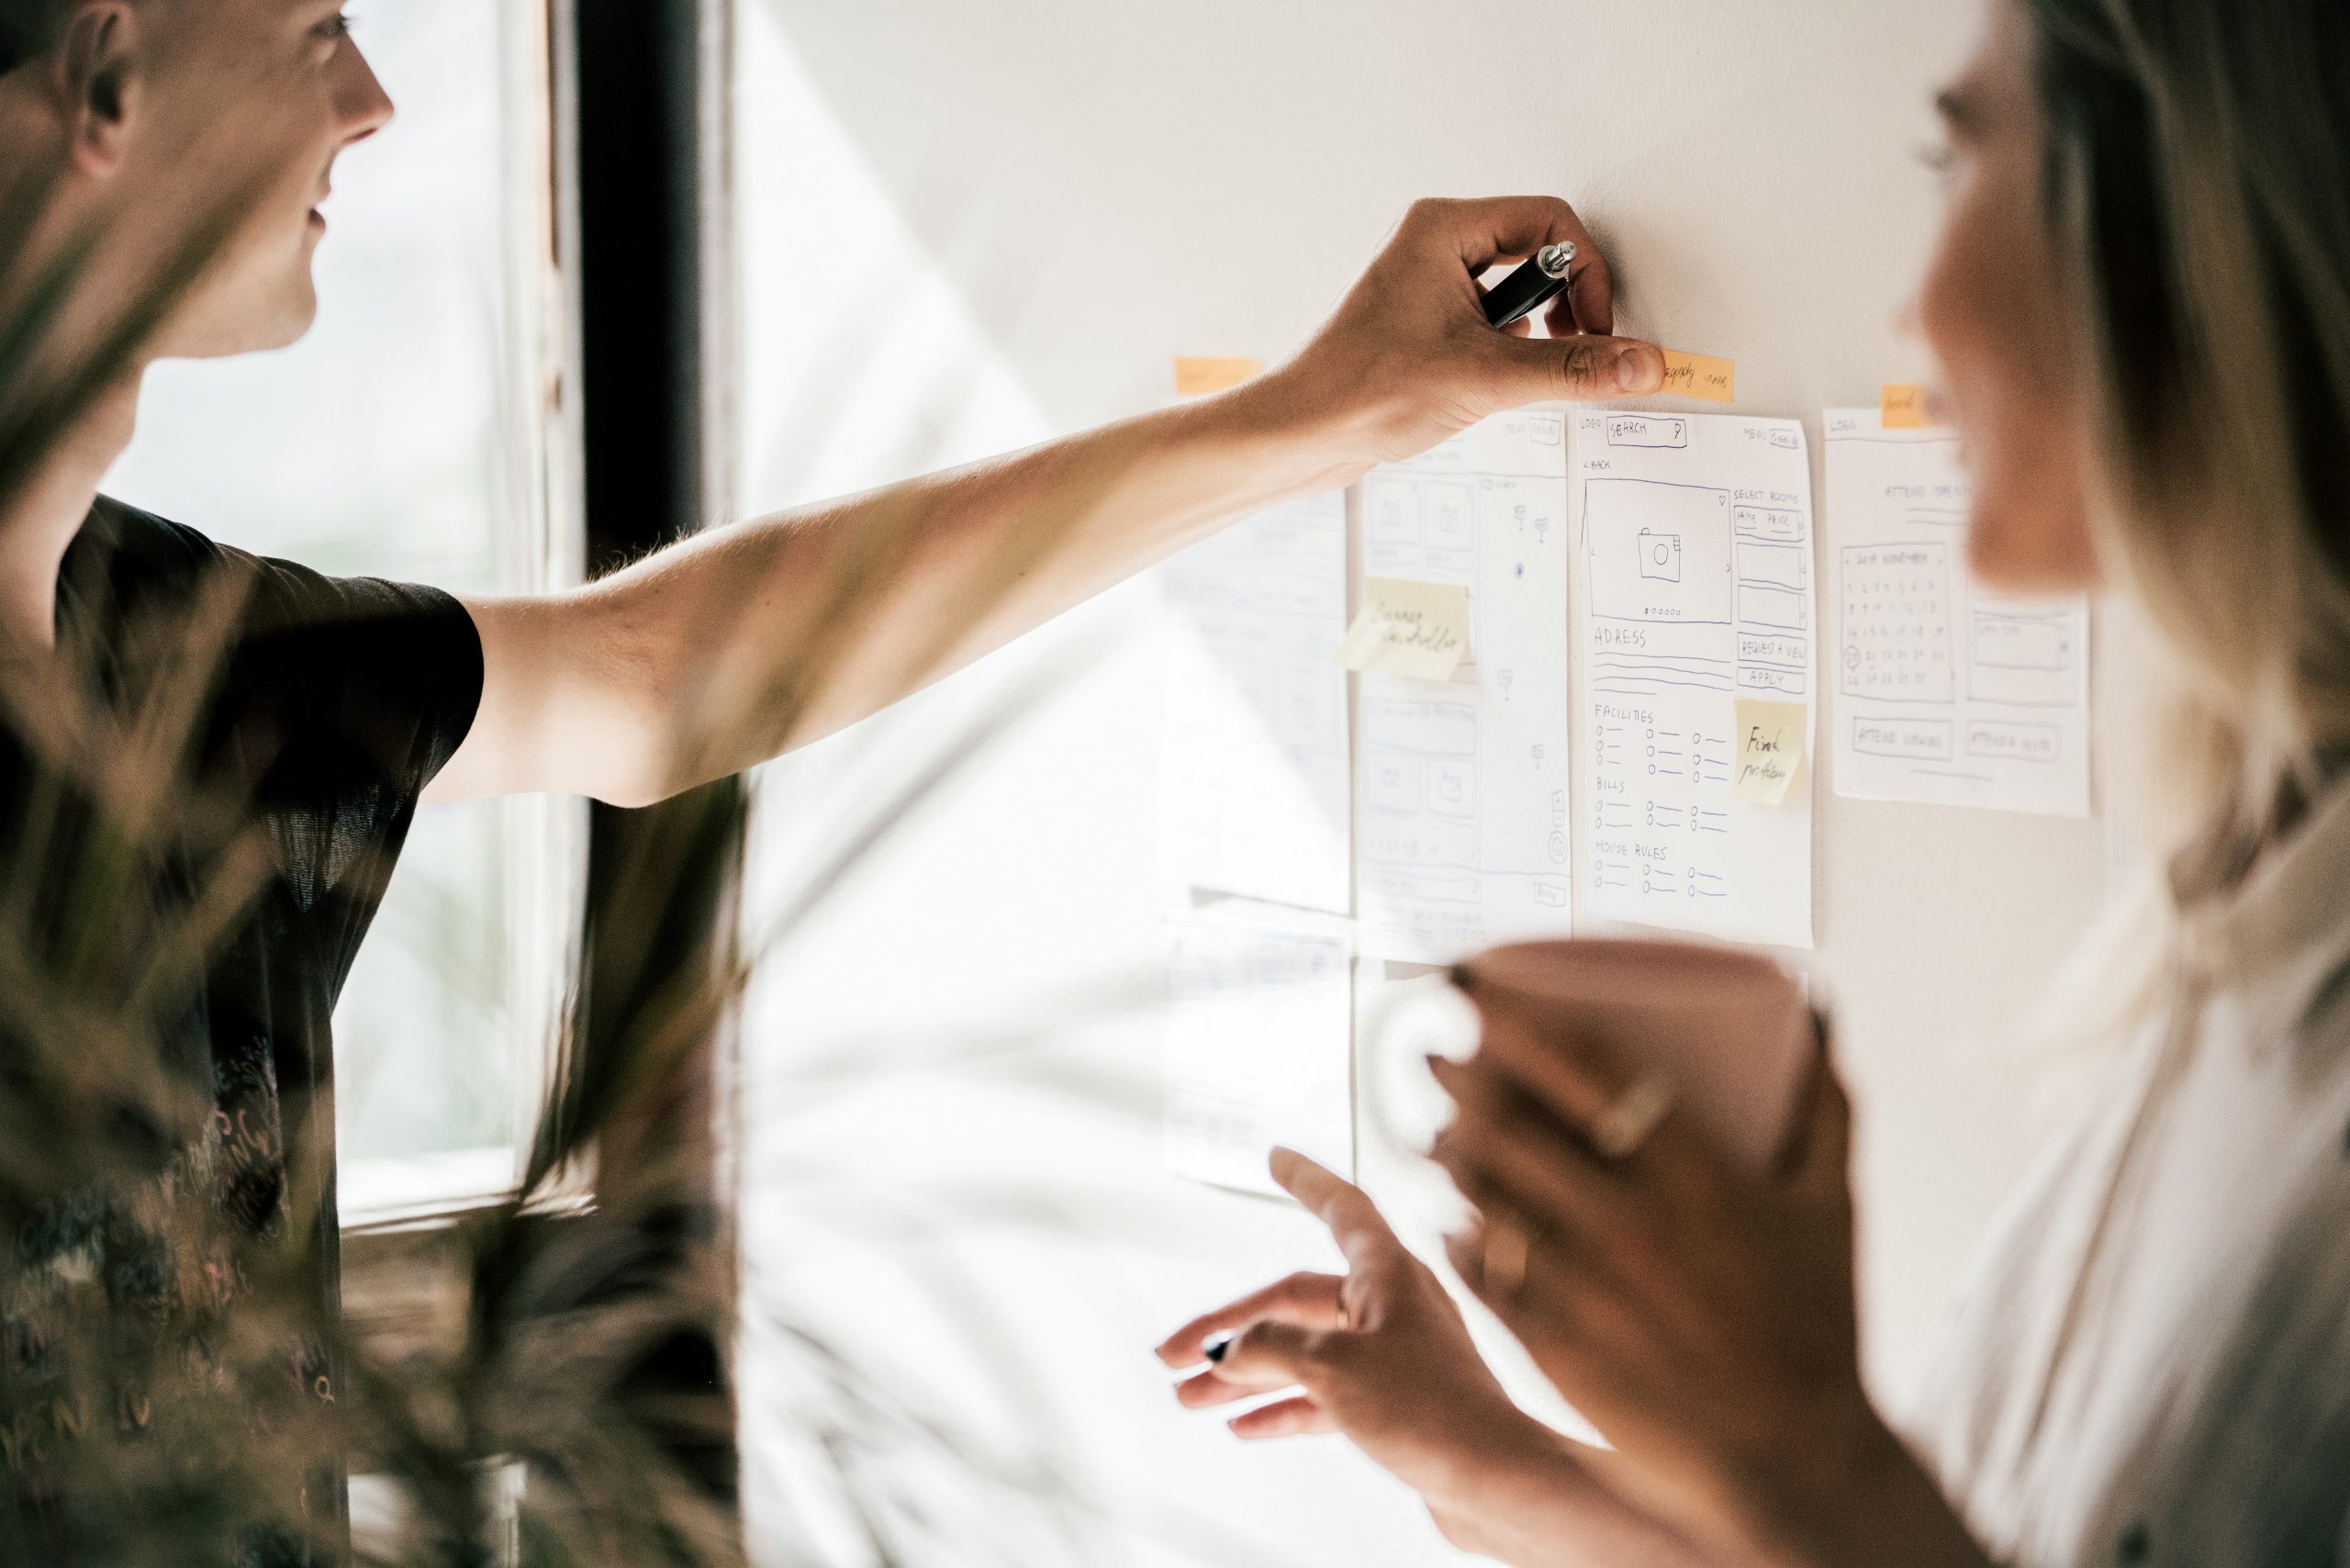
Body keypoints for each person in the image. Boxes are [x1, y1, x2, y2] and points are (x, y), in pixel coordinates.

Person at [0, 0, 1669, 1559]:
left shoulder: (175, 649)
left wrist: (1322, 414)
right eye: (314, 29)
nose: (369, 101)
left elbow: (654, 677)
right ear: (110, 76)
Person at [1161, 0, 2350, 1563]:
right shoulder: (2237, 914)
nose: (1915, 309)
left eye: (1955, 164)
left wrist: (1795, 1436)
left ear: (2187, 223)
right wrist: (1488, 1454)